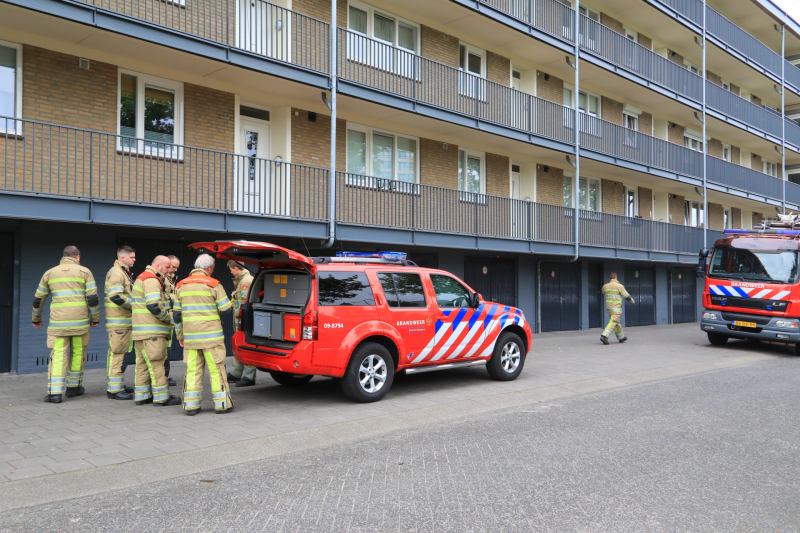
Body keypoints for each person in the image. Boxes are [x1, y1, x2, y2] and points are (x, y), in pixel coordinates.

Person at [33, 246, 100, 403]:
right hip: (80, 324)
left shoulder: (49, 273)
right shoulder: (85, 272)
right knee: (78, 353)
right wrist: (95, 318)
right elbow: (92, 298)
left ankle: (54, 394)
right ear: (77, 257)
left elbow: (38, 299)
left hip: (58, 325)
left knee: (58, 356)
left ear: (64, 256)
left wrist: (36, 318)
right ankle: (74, 387)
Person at [174, 254, 234, 415]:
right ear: (208, 268)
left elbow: (176, 316)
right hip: (211, 339)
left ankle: (191, 406)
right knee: (216, 370)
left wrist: (180, 336)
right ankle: (222, 405)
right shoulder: (214, 284)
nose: (212, 272)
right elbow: (226, 309)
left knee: (192, 371)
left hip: (191, 339)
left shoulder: (181, 285)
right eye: (213, 269)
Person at [131, 256, 181, 406]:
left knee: (142, 366)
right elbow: (154, 305)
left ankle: (142, 396)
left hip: (141, 332)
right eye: (166, 268)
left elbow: (161, 298)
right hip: (153, 332)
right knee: (157, 364)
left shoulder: (142, 278)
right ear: (158, 266)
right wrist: (168, 317)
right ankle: (162, 397)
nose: (168, 271)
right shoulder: (152, 280)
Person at [103, 245, 136, 400]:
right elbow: (115, 296)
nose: (135, 260)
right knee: (118, 355)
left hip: (123, 321)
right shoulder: (117, 272)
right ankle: (115, 390)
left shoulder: (123, 272)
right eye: (132, 257)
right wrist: (135, 305)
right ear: (122, 258)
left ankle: (117, 385)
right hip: (120, 322)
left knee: (118, 354)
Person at [226, 260, 256, 387]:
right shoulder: (242, 280)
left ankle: (249, 377)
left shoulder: (245, 282)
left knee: (246, 346)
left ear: (236, 268)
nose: (230, 272)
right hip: (241, 320)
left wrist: (238, 314)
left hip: (244, 320)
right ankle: (236, 373)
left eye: (231, 269)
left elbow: (245, 303)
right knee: (239, 345)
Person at [600, 272, 635, 345]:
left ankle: (621, 337)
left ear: (610, 278)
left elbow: (603, 292)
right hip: (616, 308)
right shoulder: (619, 286)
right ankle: (604, 336)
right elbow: (626, 296)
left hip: (609, 308)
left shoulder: (605, 286)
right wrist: (632, 301)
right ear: (616, 278)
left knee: (617, 322)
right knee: (613, 322)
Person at [162, 255, 181, 387]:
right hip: (164, 319)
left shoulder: (171, 278)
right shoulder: (161, 278)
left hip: (170, 319)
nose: (175, 270)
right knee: (163, 350)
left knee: (167, 348)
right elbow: (163, 296)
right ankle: (163, 377)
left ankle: (165, 376)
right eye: (173, 267)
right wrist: (177, 297)